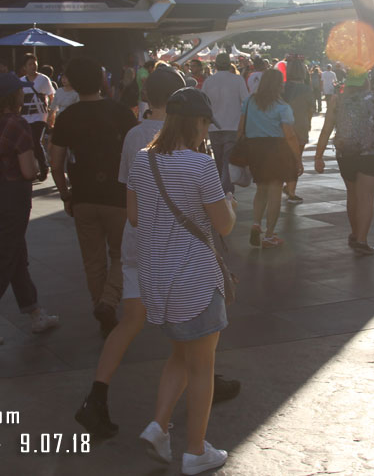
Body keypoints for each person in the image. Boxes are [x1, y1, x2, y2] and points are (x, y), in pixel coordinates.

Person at [127, 87, 236, 475]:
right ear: (198, 123)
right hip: (195, 279)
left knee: (179, 355)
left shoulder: (142, 161)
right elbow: (223, 224)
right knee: (202, 367)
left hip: (157, 279)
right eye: (206, 125)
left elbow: (135, 215)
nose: (207, 132)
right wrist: (230, 207)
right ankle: (195, 451)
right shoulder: (200, 166)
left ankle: (158, 426)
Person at [0, 73, 59, 346]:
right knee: (3, 259)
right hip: (12, 198)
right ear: (15, 96)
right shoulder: (16, 124)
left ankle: (36, 314)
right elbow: (28, 169)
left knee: (15, 254)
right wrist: (40, 169)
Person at [50, 57, 139, 337]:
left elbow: (55, 162)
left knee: (92, 259)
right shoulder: (121, 113)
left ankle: (101, 307)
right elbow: (136, 155)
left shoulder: (67, 117)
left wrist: (65, 194)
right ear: (102, 81)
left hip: (83, 196)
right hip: (117, 195)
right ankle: (109, 301)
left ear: (72, 84)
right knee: (121, 255)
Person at [314, 70, 374, 255]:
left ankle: (354, 233)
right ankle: (362, 240)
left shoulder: (336, 101)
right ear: (367, 82)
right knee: (366, 197)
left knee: (352, 194)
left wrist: (318, 156)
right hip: (371, 153)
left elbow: (327, 129)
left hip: (346, 153)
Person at [241, 68, 302, 248]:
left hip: (255, 148)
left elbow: (240, 127)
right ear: (278, 85)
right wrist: (297, 158)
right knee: (275, 191)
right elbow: (289, 135)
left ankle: (256, 223)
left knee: (261, 189)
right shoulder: (282, 107)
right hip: (276, 149)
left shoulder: (249, 101)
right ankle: (269, 235)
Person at [200, 53, 249, 195]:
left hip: (214, 126)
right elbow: (245, 101)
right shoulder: (237, 80)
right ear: (230, 64)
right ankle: (226, 189)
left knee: (219, 160)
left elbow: (204, 102)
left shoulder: (209, 81)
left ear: (215, 65)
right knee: (228, 161)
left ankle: (221, 188)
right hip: (233, 125)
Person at [19, 53, 56, 181]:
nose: (33, 67)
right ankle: (32, 167)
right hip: (25, 115)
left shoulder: (43, 79)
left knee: (35, 140)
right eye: (30, 64)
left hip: (40, 115)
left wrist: (52, 114)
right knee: (28, 142)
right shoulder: (21, 81)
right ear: (25, 67)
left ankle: (44, 167)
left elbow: (51, 96)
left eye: (35, 64)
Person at [282, 57, 315, 203]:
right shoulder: (307, 89)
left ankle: (287, 184)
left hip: (282, 126)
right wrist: (309, 123)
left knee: (285, 157)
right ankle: (291, 190)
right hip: (300, 125)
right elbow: (311, 108)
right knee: (296, 157)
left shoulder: (282, 88)